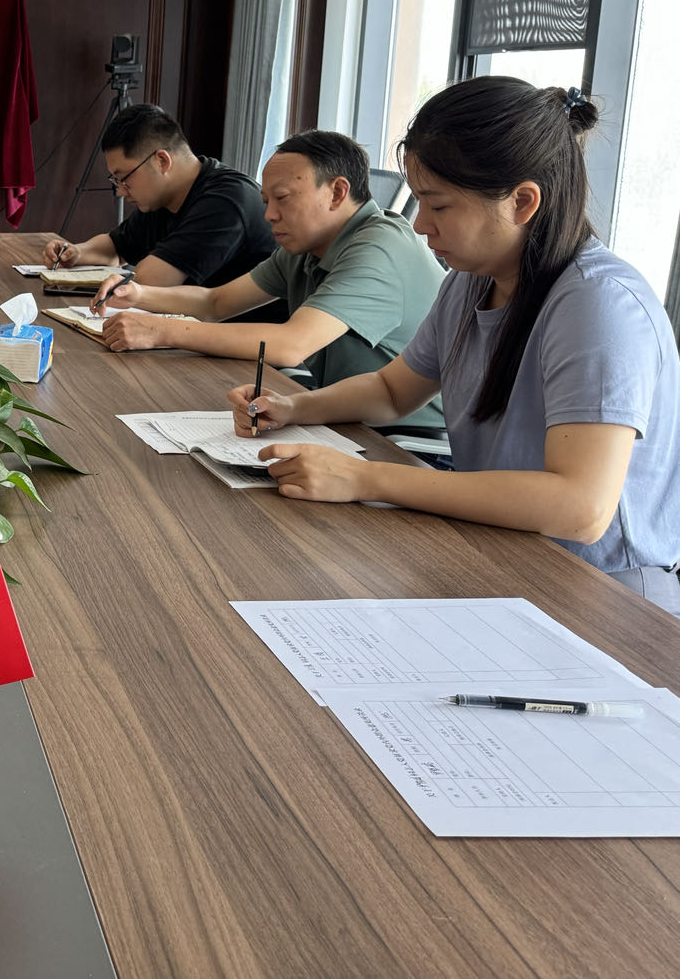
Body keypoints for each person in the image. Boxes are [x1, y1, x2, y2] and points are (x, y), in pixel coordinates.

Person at [227, 79, 680, 613]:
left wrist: (365, 477)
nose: (420, 225)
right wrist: (293, 408)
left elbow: (580, 508)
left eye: (437, 206)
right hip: (498, 552)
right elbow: (392, 391)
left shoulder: (599, 304)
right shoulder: (471, 282)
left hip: (601, 592)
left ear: (522, 201)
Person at [96, 130, 445, 430]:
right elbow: (216, 303)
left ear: (337, 193)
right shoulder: (305, 246)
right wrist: (139, 294)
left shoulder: (379, 247)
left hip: (408, 440)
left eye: (282, 198)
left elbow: (291, 345)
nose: (269, 215)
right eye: (266, 201)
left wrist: (161, 331)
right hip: (342, 415)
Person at [42, 105, 282, 322]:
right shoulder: (162, 197)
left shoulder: (225, 201)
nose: (121, 191)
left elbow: (150, 282)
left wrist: (125, 281)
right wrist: (76, 252)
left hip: (248, 342)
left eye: (124, 178)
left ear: (162, 161)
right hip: (196, 330)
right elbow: (115, 248)